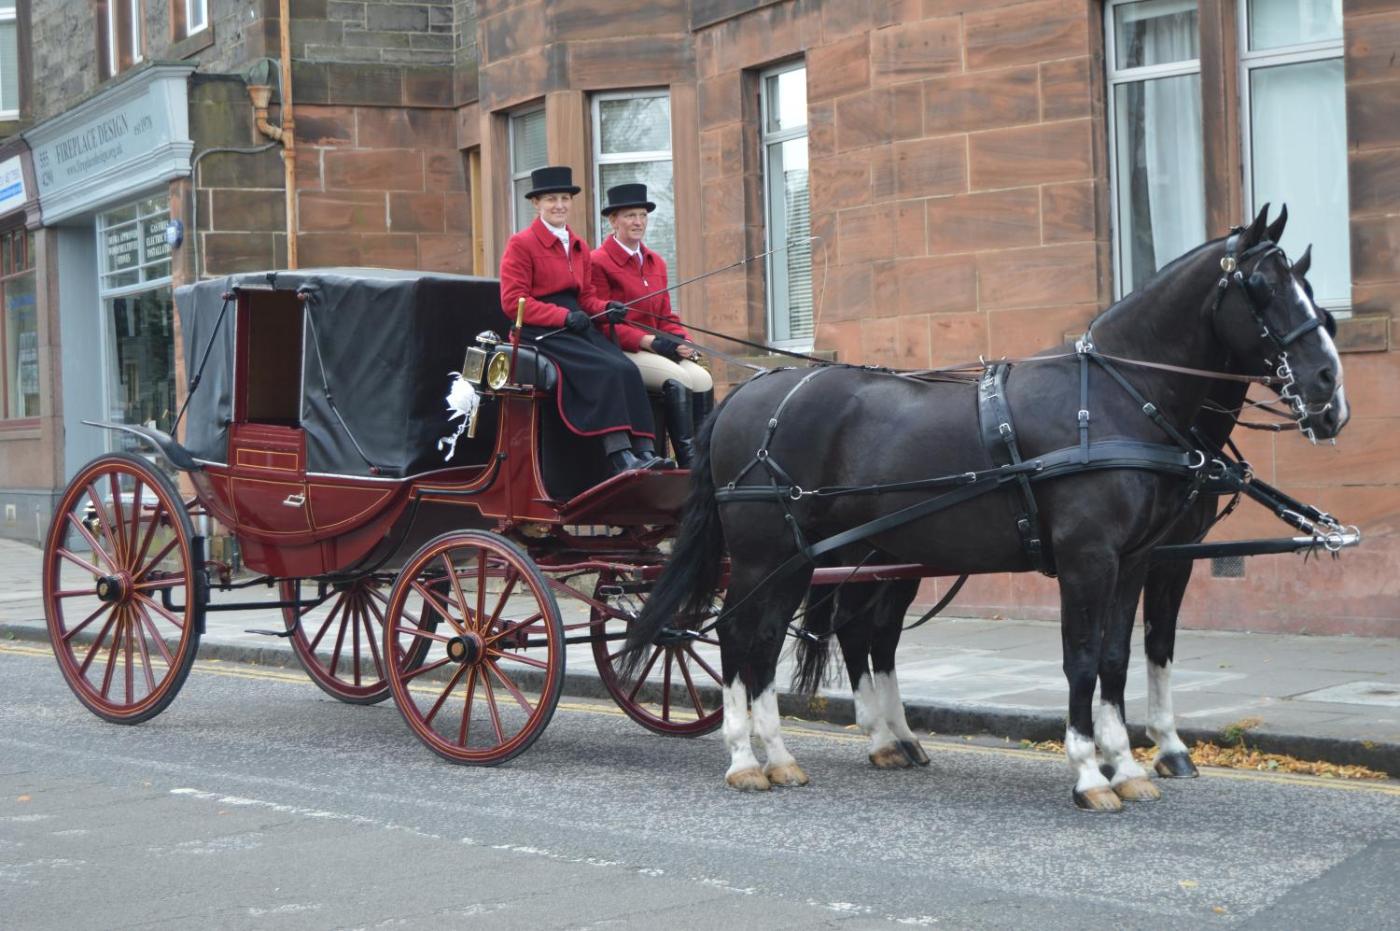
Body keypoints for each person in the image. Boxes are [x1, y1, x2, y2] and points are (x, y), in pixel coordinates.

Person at [498, 166, 669, 475]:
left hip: (575, 323)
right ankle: (620, 456)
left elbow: (587, 296)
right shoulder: (521, 244)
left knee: (626, 368)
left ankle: (645, 451)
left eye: (565, 198)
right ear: (536, 203)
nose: (559, 205)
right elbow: (514, 303)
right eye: (551, 199)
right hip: (540, 331)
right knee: (604, 369)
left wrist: (606, 308)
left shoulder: (577, 245)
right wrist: (563, 316)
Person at [590, 183, 714, 467]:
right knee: (678, 377)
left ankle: (705, 458)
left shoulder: (656, 262)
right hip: (624, 349)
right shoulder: (598, 262)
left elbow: (666, 316)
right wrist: (650, 342)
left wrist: (682, 339)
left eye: (643, 215)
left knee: (702, 378)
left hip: (659, 348)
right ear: (613, 221)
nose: (638, 222)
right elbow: (602, 321)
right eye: (630, 216)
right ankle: (688, 462)